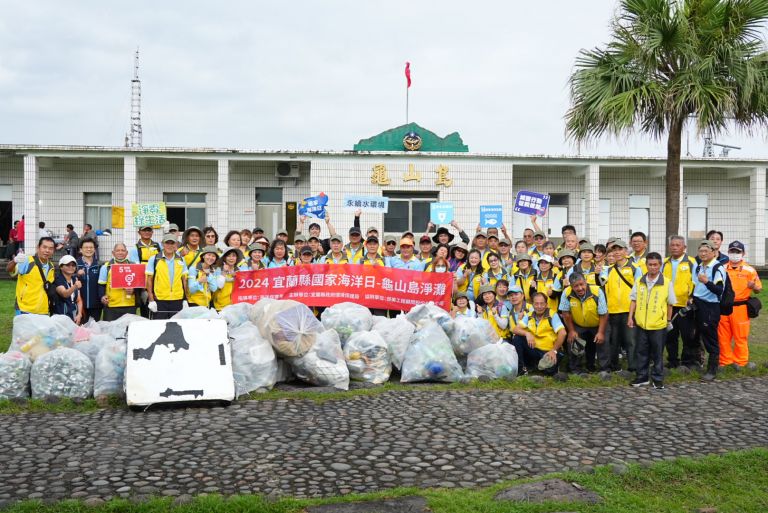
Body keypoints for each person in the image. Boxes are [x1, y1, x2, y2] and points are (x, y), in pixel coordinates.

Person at [627, 252, 675, 389]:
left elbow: (670, 303)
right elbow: (633, 300)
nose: (653, 267)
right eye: (650, 264)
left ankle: (657, 378)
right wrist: (630, 317)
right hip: (641, 323)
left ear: (660, 265)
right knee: (641, 351)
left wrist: (668, 320)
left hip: (658, 325)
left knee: (657, 353)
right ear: (646, 265)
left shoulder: (666, 282)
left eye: (655, 265)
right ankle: (642, 377)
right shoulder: (639, 281)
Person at [718, 241, 762, 369]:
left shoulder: (750, 270)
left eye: (737, 252)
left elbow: (758, 289)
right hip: (724, 306)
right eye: (732, 251)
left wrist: (754, 286)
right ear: (728, 252)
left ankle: (741, 362)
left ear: (743, 253)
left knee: (740, 336)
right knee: (723, 336)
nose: (735, 254)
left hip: (741, 307)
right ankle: (725, 362)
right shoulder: (722, 268)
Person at [599, 239, 640, 374]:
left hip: (630, 311)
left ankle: (633, 367)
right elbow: (601, 282)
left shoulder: (635, 268)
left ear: (626, 251)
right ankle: (614, 366)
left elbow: (639, 290)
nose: (617, 252)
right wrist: (598, 273)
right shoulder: (608, 269)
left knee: (631, 340)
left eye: (620, 249)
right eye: (614, 250)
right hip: (612, 311)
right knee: (613, 340)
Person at [692, 239, 728, 381]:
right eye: (701, 251)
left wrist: (707, 282)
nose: (703, 253)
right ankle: (695, 363)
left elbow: (719, 290)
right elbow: (696, 285)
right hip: (698, 304)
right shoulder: (699, 266)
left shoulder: (717, 267)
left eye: (706, 251)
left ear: (714, 252)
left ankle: (712, 371)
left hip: (710, 307)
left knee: (710, 339)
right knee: (694, 335)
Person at [559, 272, 608, 373]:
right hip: (579, 324)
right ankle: (576, 370)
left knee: (603, 343)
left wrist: (601, 332)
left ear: (586, 282)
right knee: (574, 341)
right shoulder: (566, 293)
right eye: (576, 286)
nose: (580, 288)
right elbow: (565, 313)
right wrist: (571, 331)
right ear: (571, 286)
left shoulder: (597, 291)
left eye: (582, 284)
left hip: (598, 323)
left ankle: (604, 369)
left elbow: (604, 314)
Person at [662, 235, 698, 369]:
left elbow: (696, 282)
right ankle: (672, 361)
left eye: (678, 245)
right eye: (672, 245)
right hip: (668, 305)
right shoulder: (665, 262)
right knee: (670, 335)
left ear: (684, 247)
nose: (675, 247)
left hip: (684, 305)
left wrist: (691, 296)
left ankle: (687, 361)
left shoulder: (691, 262)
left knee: (687, 335)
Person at [511, 292, 566, 376]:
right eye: (536, 304)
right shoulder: (529, 315)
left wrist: (554, 351)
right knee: (517, 338)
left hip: (549, 350)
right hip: (535, 348)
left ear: (546, 304)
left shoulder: (552, 315)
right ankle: (521, 369)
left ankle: (539, 365)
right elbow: (515, 329)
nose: (539, 306)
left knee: (549, 372)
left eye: (542, 304)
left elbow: (563, 333)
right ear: (532, 304)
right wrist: (527, 333)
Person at [145, 233, 189, 319]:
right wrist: (151, 299)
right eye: (167, 243)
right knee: (159, 327)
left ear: (176, 245)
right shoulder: (154, 259)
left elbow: (184, 280)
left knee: (176, 327)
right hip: (160, 299)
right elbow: (149, 280)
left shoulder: (181, 259)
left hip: (177, 299)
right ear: (162, 244)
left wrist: (185, 299)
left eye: (172, 243)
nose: (169, 245)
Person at [8, 236, 55, 315]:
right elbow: (9, 270)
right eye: (44, 247)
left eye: (50, 248)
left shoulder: (51, 266)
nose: (47, 250)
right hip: (24, 309)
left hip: (43, 311)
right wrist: (15, 260)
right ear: (38, 248)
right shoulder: (28, 261)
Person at [98, 243, 138, 321]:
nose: (120, 252)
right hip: (111, 305)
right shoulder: (106, 267)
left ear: (126, 253)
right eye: (118, 250)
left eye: (123, 250)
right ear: (113, 253)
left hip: (129, 305)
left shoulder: (134, 266)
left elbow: (139, 285)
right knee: (111, 331)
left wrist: (133, 290)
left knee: (128, 331)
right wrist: (102, 296)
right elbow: (101, 285)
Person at [76, 239, 102, 322]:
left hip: (96, 305)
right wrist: (76, 274)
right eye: (86, 247)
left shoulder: (99, 265)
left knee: (94, 331)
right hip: (79, 305)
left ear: (94, 249)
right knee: (79, 331)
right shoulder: (74, 264)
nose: (89, 249)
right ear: (81, 249)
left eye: (91, 247)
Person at [52, 255, 83, 323]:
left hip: (74, 315)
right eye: (67, 265)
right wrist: (75, 286)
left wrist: (79, 314)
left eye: (73, 265)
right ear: (61, 267)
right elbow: (64, 294)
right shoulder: (58, 279)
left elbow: (79, 300)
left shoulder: (75, 279)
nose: (71, 267)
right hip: (60, 317)